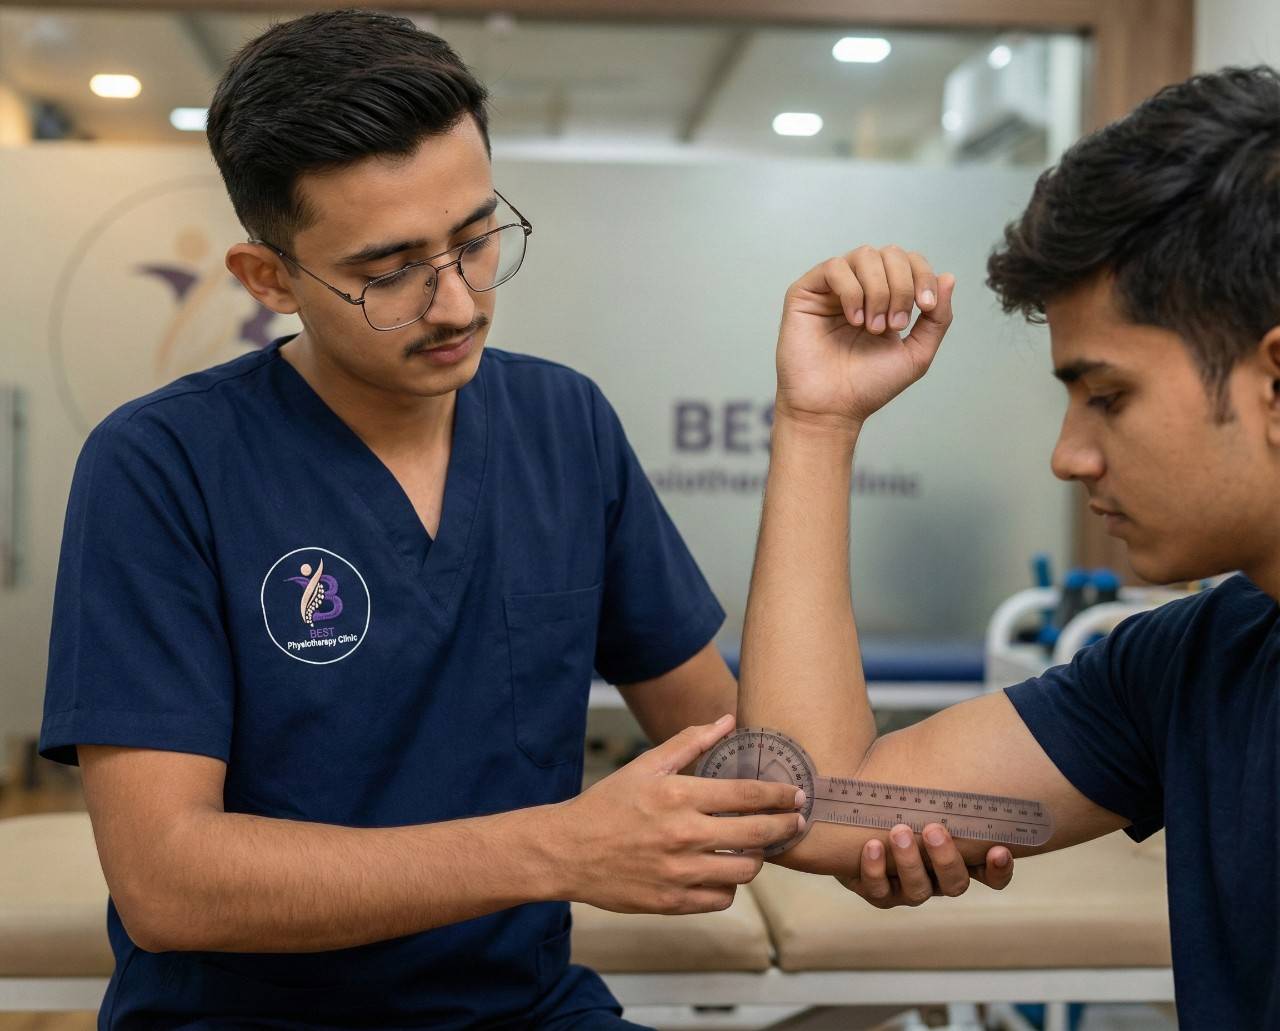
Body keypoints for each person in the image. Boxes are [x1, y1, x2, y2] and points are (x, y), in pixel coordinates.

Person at [36, 10, 1011, 1029]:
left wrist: (866, 833)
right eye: (389, 272)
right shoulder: (162, 465)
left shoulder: (561, 424)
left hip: (524, 1010)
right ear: (268, 277)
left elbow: (728, 748)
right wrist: (562, 845)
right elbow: (167, 880)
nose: (456, 305)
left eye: (474, 241)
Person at [736, 65, 1280, 1028]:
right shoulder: (1190, 666)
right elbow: (812, 803)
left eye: (1108, 396)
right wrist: (817, 423)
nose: (1069, 457)